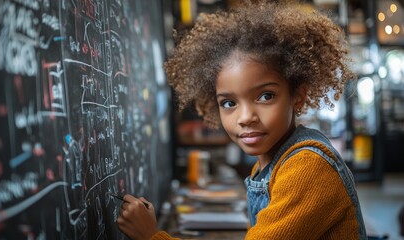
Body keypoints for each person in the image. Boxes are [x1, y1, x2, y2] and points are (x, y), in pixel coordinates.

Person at [116, 1, 367, 239]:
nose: (246, 117)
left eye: (266, 96)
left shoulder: (307, 167)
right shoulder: (267, 163)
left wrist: (152, 237)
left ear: (297, 97)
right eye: (229, 103)